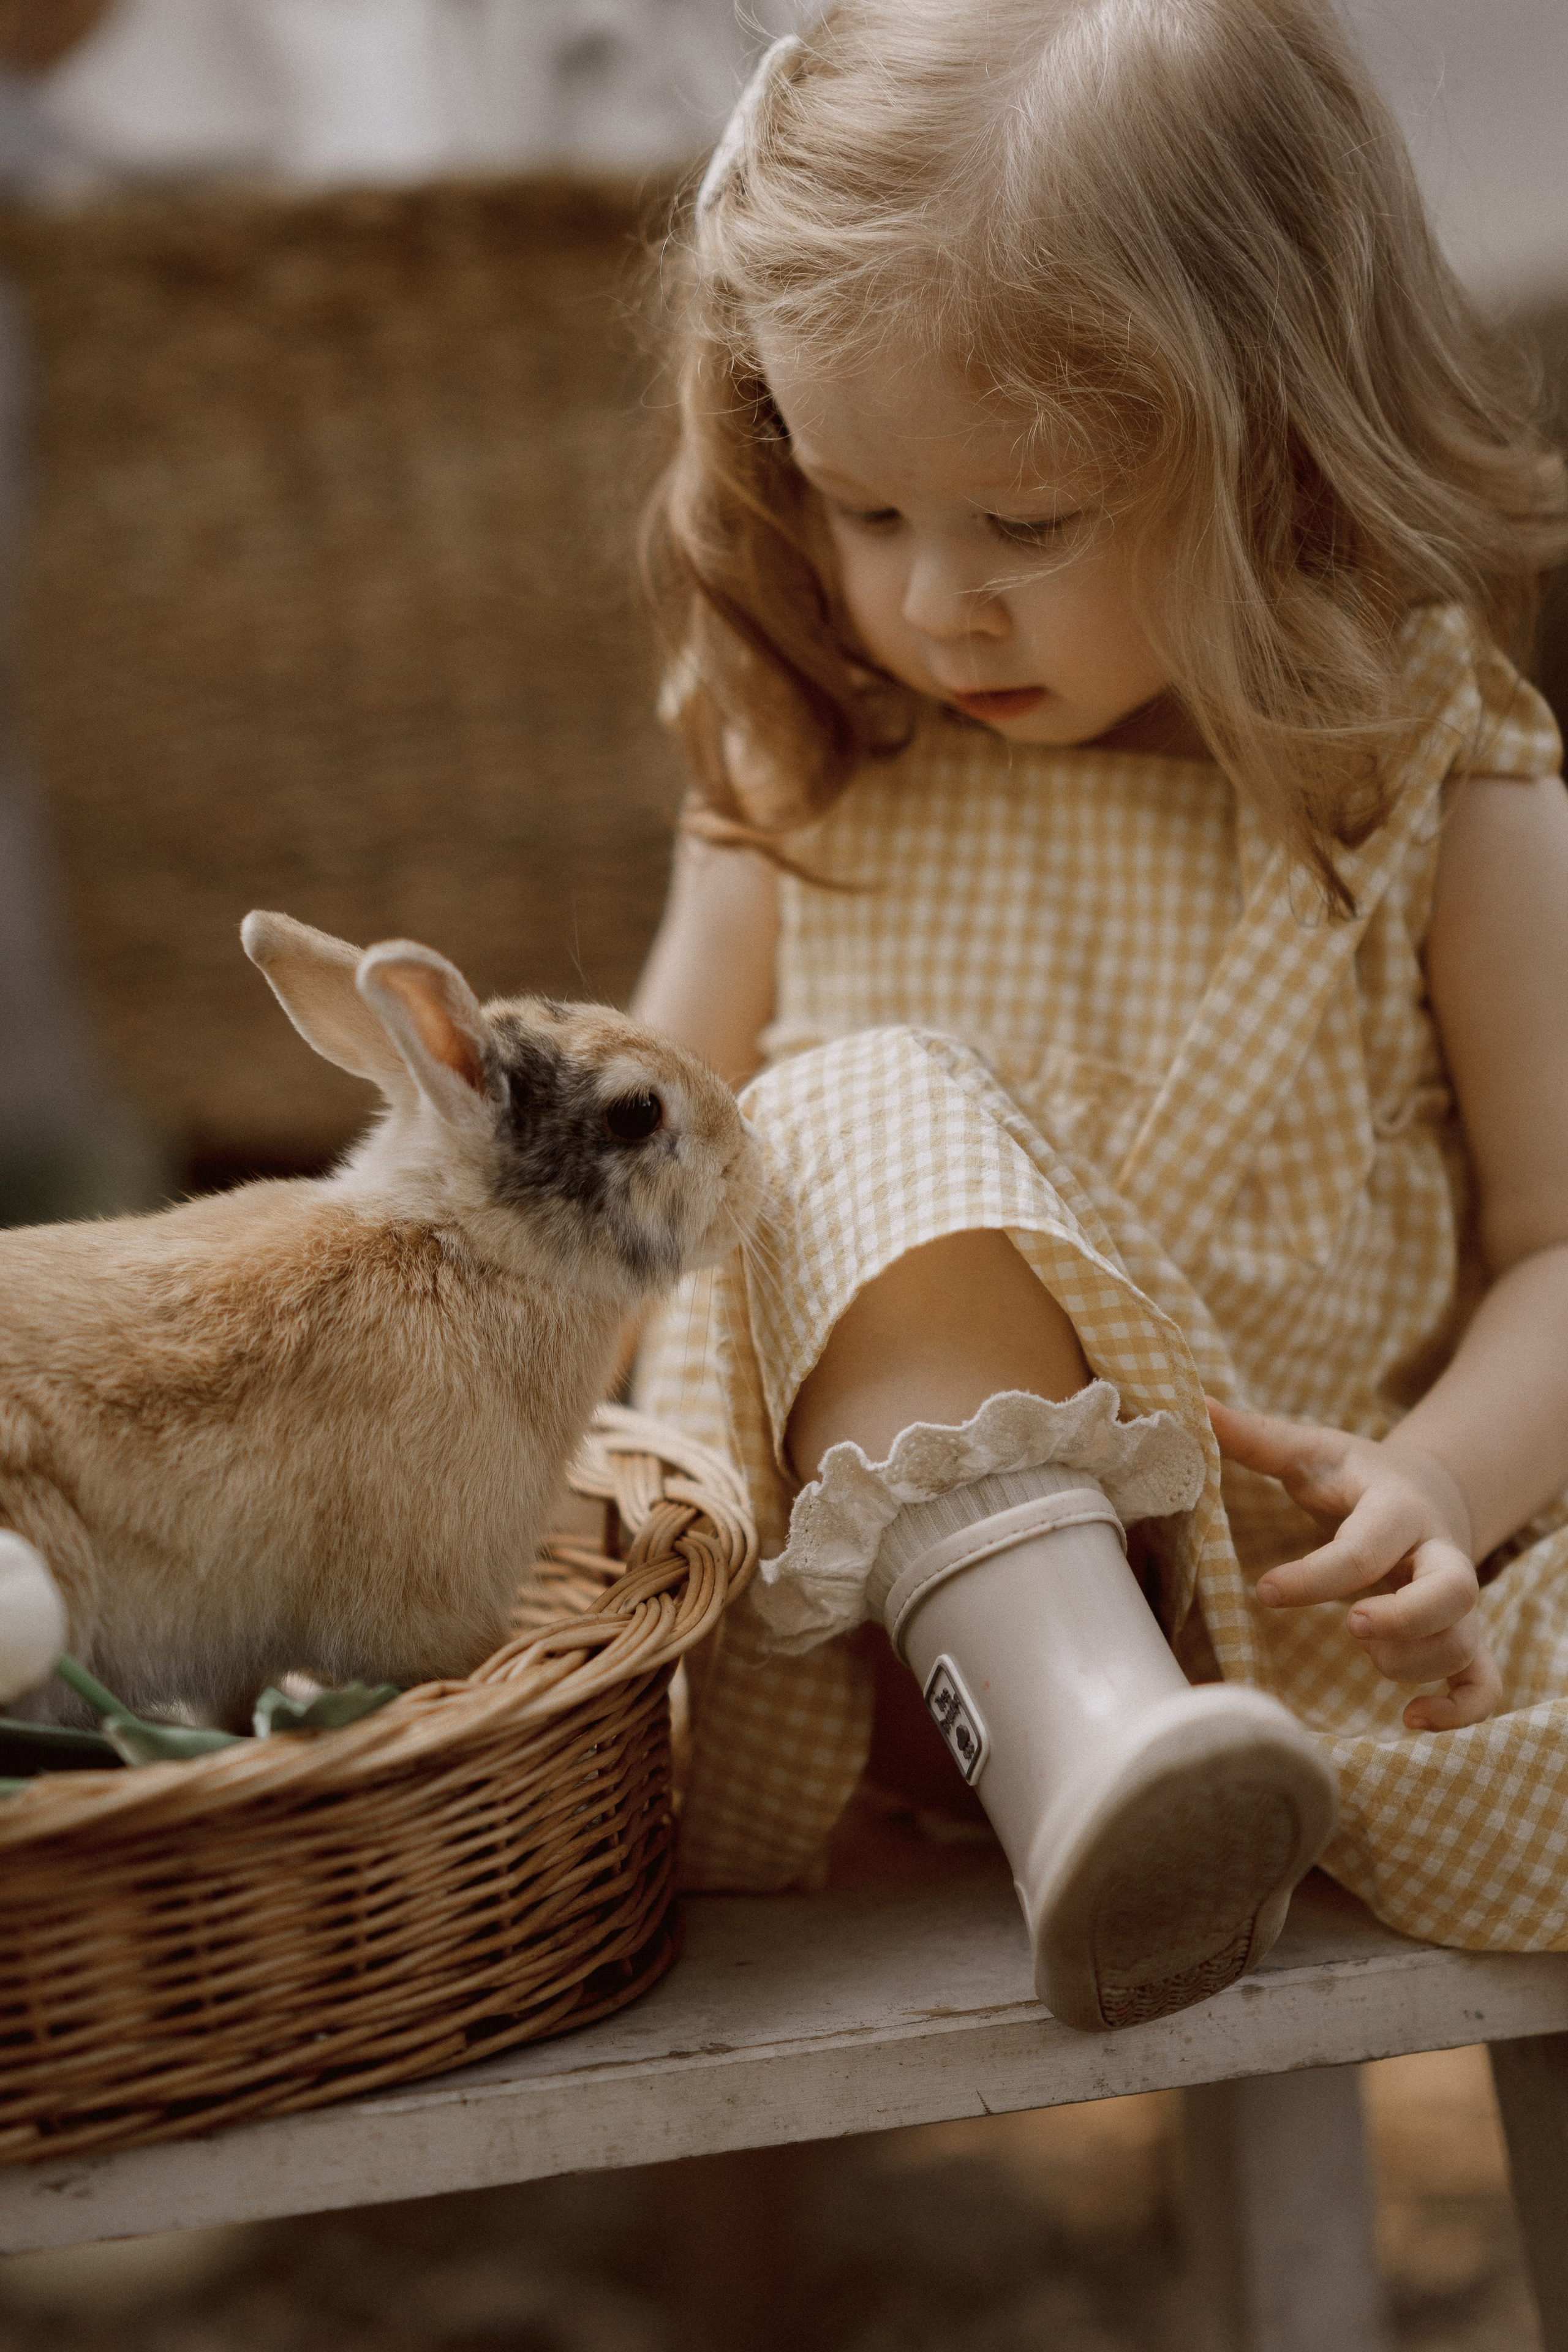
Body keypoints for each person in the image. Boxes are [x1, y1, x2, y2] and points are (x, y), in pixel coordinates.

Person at [630, 0, 1568, 2030]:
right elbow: (644, 1198)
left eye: (1025, 524)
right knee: (856, 1109)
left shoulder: (1436, 782)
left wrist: (1451, 1489)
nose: (931, 601)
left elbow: (1565, 1248)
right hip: (855, 1644)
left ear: (1278, 437)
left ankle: (1156, 1781)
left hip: (1266, 1596)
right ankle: (1075, 1743)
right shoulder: (813, 750)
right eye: (862, 507)